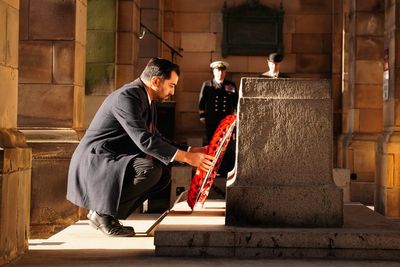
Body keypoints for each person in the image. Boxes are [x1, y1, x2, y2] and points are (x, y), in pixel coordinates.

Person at [67, 58, 214, 237]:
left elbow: (155, 136)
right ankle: (102, 214)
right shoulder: (127, 97)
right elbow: (143, 140)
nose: (173, 91)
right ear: (155, 81)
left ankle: (106, 214)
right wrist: (186, 158)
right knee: (150, 170)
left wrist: (190, 150)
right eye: (171, 85)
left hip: (113, 159)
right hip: (97, 161)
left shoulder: (143, 97)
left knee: (162, 175)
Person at [198, 60, 238, 177]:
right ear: (214, 72)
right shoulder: (208, 85)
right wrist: (202, 115)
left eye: (222, 71)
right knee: (213, 144)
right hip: (212, 121)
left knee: (226, 145)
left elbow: (236, 103)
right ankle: (213, 169)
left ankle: (226, 169)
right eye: (218, 71)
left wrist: (235, 117)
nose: (220, 73)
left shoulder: (230, 85)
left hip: (227, 121)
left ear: (225, 72)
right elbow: (201, 102)